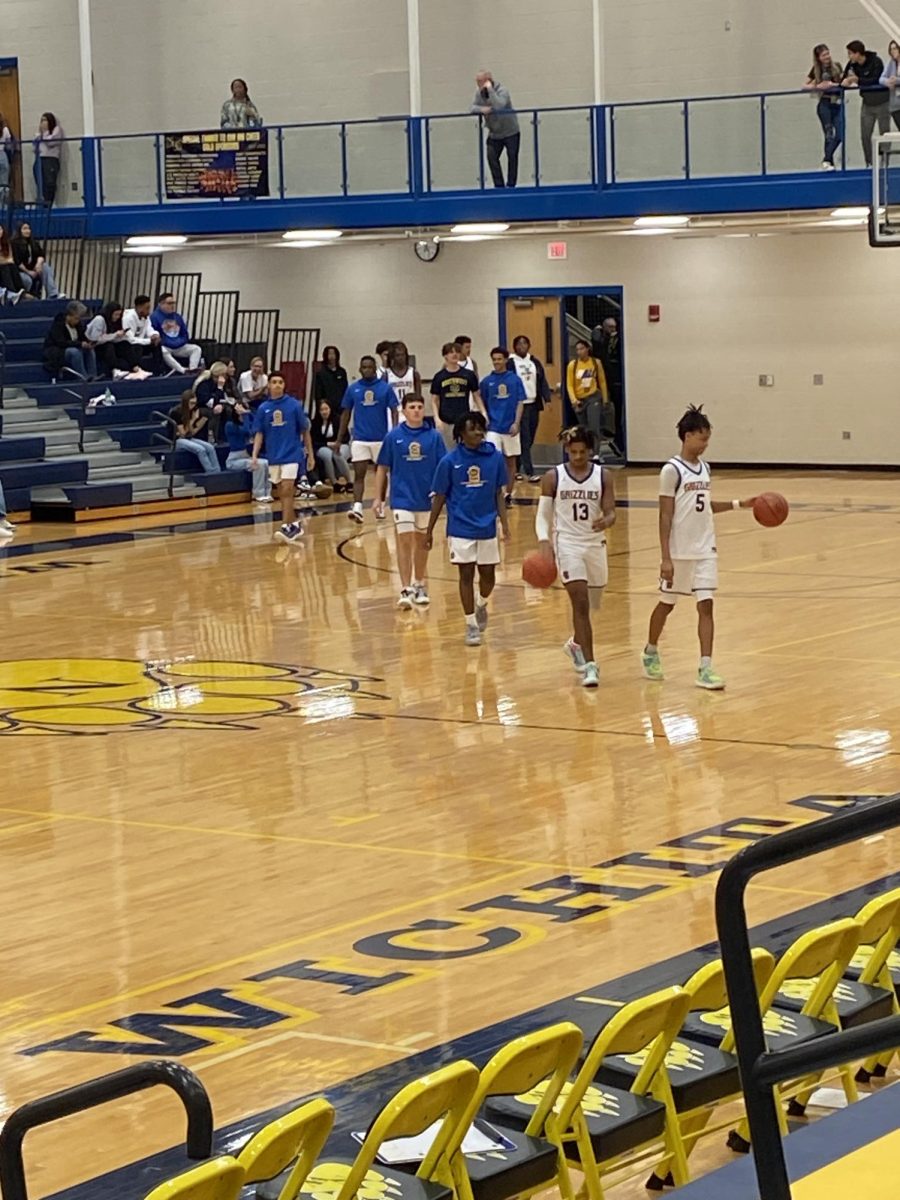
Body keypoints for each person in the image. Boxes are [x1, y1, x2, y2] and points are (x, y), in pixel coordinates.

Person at [641, 405, 755, 691]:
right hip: (679, 552)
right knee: (667, 605)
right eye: (702, 438)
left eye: (708, 439)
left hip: (705, 549)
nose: (706, 444)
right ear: (688, 435)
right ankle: (650, 650)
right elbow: (665, 515)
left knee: (706, 606)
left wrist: (739, 504)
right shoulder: (671, 470)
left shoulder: (705, 468)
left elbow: (703, 507)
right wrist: (665, 557)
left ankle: (706, 667)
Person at [535, 427, 616, 689]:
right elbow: (543, 515)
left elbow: (611, 511)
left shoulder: (603, 476)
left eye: (583, 452)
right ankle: (591, 665)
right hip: (567, 544)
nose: (578, 456)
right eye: (573, 452)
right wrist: (544, 541)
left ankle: (575, 644)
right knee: (580, 604)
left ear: (591, 451)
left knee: (593, 604)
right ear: (567, 450)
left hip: (594, 544)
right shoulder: (553, 477)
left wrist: (607, 520)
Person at [425, 411, 510, 646]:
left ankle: (482, 603)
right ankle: (470, 623)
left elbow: (498, 494)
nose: (479, 433)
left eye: (481, 428)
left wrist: (505, 524)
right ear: (462, 433)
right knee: (465, 575)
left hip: (487, 527)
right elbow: (439, 497)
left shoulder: (495, 458)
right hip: (460, 527)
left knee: (488, 577)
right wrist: (429, 529)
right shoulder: (449, 462)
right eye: (473, 428)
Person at [374, 394, 445, 609]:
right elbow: (382, 468)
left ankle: (419, 583)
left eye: (420, 407)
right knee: (404, 541)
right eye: (412, 407)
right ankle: (405, 588)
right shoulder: (393, 436)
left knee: (422, 542)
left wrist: (442, 494)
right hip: (402, 499)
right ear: (403, 411)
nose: (416, 410)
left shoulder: (434, 437)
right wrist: (378, 497)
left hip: (426, 499)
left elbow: (443, 467)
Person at [250, 371, 315, 544]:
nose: (277, 385)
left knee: (287, 489)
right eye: (274, 382)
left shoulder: (294, 405)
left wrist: (310, 454)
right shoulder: (264, 409)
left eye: (280, 382)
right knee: (282, 493)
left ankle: (286, 526)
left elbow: (305, 430)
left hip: (292, 454)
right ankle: (294, 524)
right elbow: (259, 433)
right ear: (269, 386)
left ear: (284, 385)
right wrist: (255, 455)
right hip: (274, 456)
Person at [333, 355, 398, 525]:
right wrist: (339, 439)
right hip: (360, 439)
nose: (367, 370)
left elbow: (394, 410)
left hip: (380, 439)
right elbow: (346, 414)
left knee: (381, 474)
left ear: (374, 368)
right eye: (364, 367)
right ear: (360, 369)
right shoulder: (353, 389)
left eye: (370, 367)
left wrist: (396, 432)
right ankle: (357, 507)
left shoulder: (385, 388)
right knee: (359, 475)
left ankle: (381, 505)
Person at [480, 346, 525, 507]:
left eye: (499, 359)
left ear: (506, 360)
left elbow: (520, 402)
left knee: (511, 462)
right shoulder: (486, 382)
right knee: (493, 460)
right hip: (493, 427)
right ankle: (494, 493)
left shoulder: (515, 380)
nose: (496, 362)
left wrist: (516, 423)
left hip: (510, 427)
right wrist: (484, 419)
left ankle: (507, 495)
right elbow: (481, 402)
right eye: (494, 359)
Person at [508, 335, 551, 483]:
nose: (522, 346)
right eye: (519, 344)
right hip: (520, 405)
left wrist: (547, 398)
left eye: (524, 343)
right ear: (514, 346)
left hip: (534, 403)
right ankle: (530, 471)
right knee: (524, 438)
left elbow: (542, 380)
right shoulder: (511, 363)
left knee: (530, 437)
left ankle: (517, 468)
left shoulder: (534, 362)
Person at [843, 40, 889, 167]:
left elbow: (876, 79)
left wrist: (858, 80)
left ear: (858, 53)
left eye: (850, 54)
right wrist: (846, 81)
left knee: (884, 133)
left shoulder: (876, 61)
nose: (849, 57)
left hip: (882, 101)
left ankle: (885, 162)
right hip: (867, 103)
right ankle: (869, 162)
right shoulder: (852, 65)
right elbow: (844, 76)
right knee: (865, 135)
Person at [470, 71, 520, 188]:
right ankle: (499, 186)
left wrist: (490, 90)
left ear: (488, 80)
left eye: (480, 82)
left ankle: (511, 185)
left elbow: (499, 105)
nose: (478, 85)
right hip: (495, 133)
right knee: (491, 157)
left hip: (510, 131)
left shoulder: (502, 91)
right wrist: (483, 109)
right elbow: (472, 108)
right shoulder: (479, 93)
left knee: (512, 157)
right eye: (477, 82)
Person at [430, 342, 483, 446]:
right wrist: (436, 418)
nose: (454, 355)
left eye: (457, 352)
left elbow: (476, 395)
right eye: (451, 352)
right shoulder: (439, 377)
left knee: (466, 449)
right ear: (445, 356)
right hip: (446, 420)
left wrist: (483, 412)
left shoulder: (468, 375)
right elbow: (434, 399)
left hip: (464, 420)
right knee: (448, 450)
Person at [804, 45, 845, 170]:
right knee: (828, 133)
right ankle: (829, 163)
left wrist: (834, 84)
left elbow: (844, 82)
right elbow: (804, 85)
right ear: (819, 58)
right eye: (823, 55)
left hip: (837, 103)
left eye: (828, 53)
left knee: (840, 134)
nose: (827, 57)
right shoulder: (816, 70)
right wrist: (818, 86)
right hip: (825, 103)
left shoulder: (837, 66)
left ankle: (826, 158)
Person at [86, 301, 149, 379]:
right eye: (116, 314)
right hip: (96, 346)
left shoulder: (117, 321)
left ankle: (136, 368)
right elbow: (95, 339)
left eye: (119, 315)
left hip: (110, 342)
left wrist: (122, 336)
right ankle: (115, 370)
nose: (117, 317)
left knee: (125, 344)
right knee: (109, 347)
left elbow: (113, 337)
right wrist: (115, 335)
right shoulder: (100, 319)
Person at [223, 402, 270, 502]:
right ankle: (258, 494)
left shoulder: (246, 422)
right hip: (234, 460)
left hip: (246, 456)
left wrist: (248, 414)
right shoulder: (230, 425)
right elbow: (247, 432)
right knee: (259, 464)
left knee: (266, 463)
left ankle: (267, 493)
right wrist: (245, 415)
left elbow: (258, 425)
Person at [567, 340, 611, 445]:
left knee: (594, 425)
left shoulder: (596, 363)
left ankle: (595, 452)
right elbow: (570, 385)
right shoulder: (573, 365)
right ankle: (586, 450)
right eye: (577, 349)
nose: (579, 352)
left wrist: (605, 399)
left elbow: (602, 381)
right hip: (579, 399)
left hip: (593, 397)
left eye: (582, 348)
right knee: (583, 427)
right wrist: (574, 401)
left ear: (587, 349)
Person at [167, 390, 221, 475]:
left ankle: (217, 472)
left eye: (195, 403)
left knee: (210, 447)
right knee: (200, 449)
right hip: (176, 440)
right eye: (191, 403)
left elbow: (191, 432)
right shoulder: (176, 412)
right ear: (185, 402)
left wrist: (197, 424)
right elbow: (183, 433)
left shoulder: (193, 410)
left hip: (188, 438)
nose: (193, 406)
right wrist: (193, 419)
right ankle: (211, 472)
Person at [42, 301, 97, 380]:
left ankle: (93, 375)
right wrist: (80, 344)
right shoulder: (58, 325)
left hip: (73, 347)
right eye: (76, 318)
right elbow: (61, 342)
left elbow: (82, 337)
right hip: (58, 351)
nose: (77, 321)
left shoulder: (78, 325)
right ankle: (83, 377)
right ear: (68, 316)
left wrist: (88, 342)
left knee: (89, 350)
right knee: (74, 352)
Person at [150, 293, 203, 375]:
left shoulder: (177, 317)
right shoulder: (154, 317)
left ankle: (193, 369)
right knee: (162, 350)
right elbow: (156, 334)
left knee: (196, 349)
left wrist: (179, 342)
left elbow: (185, 334)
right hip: (166, 346)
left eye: (173, 303)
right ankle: (183, 370)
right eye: (169, 303)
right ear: (161, 304)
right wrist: (170, 343)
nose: (172, 306)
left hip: (179, 346)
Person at [311, 399, 353, 492]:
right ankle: (334, 483)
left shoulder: (338, 420)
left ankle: (349, 482)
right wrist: (327, 444)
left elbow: (346, 437)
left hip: (340, 444)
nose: (324, 412)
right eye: (322, 410)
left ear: (330, 409)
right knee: (327, 455)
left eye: (326, 409)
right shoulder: (315, 423)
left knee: (337, 455)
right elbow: (314, 440)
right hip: (322, 446)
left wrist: (337, 443)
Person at [123, 295, 163, 374]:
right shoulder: (128, 318)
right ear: (139, 307)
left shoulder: (146, 317)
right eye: (147, 308)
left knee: (157, 344)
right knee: (137, 348)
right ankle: (137, 371)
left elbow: (149, 329)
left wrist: (154, 335)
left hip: (142, 342)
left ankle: (159, 371)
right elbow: (130, 339)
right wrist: (149, 341)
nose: (149, 311)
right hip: (129, 345)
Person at [385, 341, 421, 418]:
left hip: (410, 410)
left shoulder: (413, 373)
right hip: (392, 411)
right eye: (398, 355)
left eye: (403, 355)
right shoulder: (386, 375)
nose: (401, 358)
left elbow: (418, 396)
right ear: (392, 357)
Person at [33, 112, 62, 205]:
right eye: (41, 120)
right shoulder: (39, 134)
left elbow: (51, 143)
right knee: (41, 184)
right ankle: (43, 204)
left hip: (50, 159)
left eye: (45, 120)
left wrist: (45, 132)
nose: (43, 123)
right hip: (40, 159)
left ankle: (49, 204)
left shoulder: (56, 130)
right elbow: (34, 148)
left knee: (50, 184)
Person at [0, 224, 26, 304]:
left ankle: (16, 292)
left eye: (0, 229)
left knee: (11, 266)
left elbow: (11, 259)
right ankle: (12, 293)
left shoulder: (7, 243)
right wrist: (5, 261)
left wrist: (5, 261)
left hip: (7, 267)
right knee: (5, 268)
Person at [880, 41, 900, 132]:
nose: (893, 51)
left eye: (895, 48)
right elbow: (881, 78)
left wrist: (896, 80)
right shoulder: (891, 63)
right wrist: (887, 82)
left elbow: (896, 79)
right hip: (895, 104)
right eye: (891, 49)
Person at [0, 113, 13, 201]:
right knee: (4, 182)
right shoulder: (5, 130)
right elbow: (9, 146)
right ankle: (3, 206)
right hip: (2, 154)